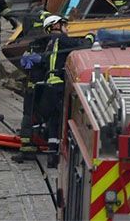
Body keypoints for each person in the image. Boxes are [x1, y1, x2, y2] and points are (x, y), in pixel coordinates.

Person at [37, 15, 93, 165]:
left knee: (54, 120)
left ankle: (52, 155)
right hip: (59, 85)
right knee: (63, 119)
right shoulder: (61, 39)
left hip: (49, 86)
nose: (66, 28)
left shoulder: (50, 43)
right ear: (55, 26)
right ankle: (60, 154)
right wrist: (90, 36)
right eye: (64, 25)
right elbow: (82, 46)